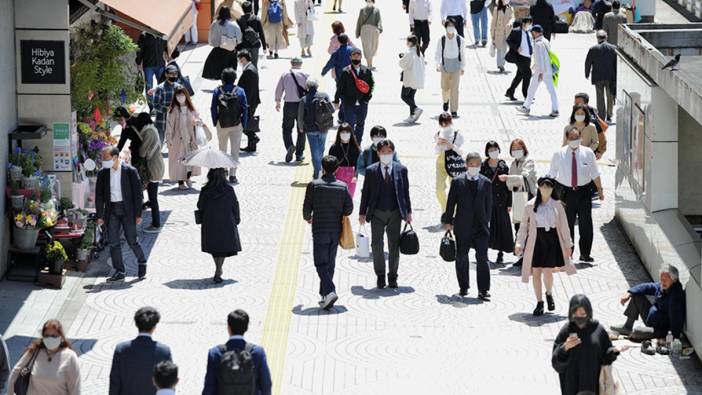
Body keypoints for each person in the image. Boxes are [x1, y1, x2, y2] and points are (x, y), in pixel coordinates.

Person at [515, 177, 577, 315]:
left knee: (548, 271)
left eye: (549, 186)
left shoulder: (557, 205)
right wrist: (520, 243)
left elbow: (565, 226)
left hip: (552, 240)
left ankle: (549, 293)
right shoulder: (529, 205)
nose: (546, 189)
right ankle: (539, 302)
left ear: (553, 189)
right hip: (536, 240)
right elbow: (524, 226)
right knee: (536, 272)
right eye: (543, 186)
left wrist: (568, 245)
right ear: (539, 187)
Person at [359, 139, 412, 289]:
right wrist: (362, 213)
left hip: (395, 212)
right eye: (383, 152)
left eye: (389, 152)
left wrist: (408, 212)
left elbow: (405, 192)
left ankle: (393, 276)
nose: (386, 154)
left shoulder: (401, 169)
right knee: (376, 245)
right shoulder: (371, 170)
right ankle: (380, 275)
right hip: (376, 212)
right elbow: (366, 194)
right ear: (378, 153)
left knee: (394, 245)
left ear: (393, 153)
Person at [303, 156, 354, 309]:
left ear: (323, 168)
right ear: (337, 169)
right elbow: (349, 209)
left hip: (319, 229)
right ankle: (325, 295)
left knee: (320, 263)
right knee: (330, 263)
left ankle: (330, 291)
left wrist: (308, 217)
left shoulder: (314, 185)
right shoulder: (342, 186)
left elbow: (306, 208)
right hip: (335, 229)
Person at [549, 128, 604, 262]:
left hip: (584, 192)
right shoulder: (559, 154)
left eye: (577, 138)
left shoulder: (588, 153)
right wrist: (553, 197)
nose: (574, 141)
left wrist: (600, 189)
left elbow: (595, 173)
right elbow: (552, 175)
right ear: (567, 139)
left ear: (581, 138)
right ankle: (568, 253)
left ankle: (585, 253)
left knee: (586, 224)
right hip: (566, 193)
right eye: (571, 138)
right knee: (567, 225)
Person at [442, 152, 492, 300]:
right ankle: (463, 286)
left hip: (480, 227)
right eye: (471, 164)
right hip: (463, 226)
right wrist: (448, 222)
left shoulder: (486, 182)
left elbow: (489, 205)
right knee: (462, 256)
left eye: (477, 164)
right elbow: (451, 203)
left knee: (482, 258)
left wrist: (487, 222)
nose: (474, 167)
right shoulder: (457, 182)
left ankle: (483, 290)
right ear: (466, 164)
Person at [96, 146, 147, 282]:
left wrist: (138, 214)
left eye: (105, 158)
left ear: (115, 157)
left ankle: (142, 261)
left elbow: (138, 195)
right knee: (113, 242)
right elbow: (99, 196)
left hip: (127, 210)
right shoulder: (103, 173)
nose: (103, 161)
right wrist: (99, 216)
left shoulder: (130, 171)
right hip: (111, 210)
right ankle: (120, 271)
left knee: (132, 240)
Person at [552, 295, 622, 395]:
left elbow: (606, 356)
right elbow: (556, 363)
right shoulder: (566, 330)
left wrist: (613, 351)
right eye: (575, 314)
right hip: (572, 387)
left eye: (582, 314)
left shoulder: (597, 329)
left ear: (588, 313)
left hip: (594, 386)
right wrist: (565, 347)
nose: (579, 317)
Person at [611, 265, 686, 347]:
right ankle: (627, 327)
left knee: (637, 332)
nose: (662, 282)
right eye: (661, 279)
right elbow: (648, 286)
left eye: (665, 280)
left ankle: (638, 333)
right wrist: (629, 293)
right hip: (651, 319)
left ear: (674, 280)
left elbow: (676, 322)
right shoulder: (663, 286)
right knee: (636, 296)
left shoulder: (675, 296)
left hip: (660, 329)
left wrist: (671, 339)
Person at [203, 310, 272, 395]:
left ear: (228, 327)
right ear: (246, 327)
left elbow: (209, 387)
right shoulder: (257, 352)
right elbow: (266, 385)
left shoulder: (215, 353)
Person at [109, 307, 172, 395]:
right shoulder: (163, 351)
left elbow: (115, 381)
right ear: (154, 327)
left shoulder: (121, 349)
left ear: (136, 324)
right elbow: (168, 384)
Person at [8, 320, 80, 395]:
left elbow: (75, 389)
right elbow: (15, 372)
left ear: (61, 337)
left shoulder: (70, 357)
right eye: (47, 336)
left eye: (54, 336)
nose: (50, 339)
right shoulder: (34, 351)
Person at [197, 168, 242, 283]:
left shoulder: (205, 190)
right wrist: (237, 218)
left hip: (209, 221)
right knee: (222, 247)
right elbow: (234, 204)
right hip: (226, 221)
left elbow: (200, 206)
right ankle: (218, 269)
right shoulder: (229, 189)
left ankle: (218, 268)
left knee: (214, 247)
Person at [501, 138, 536, 267]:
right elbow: (510, 185)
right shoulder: (513, 164)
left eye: (518, 148)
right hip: (518, 198)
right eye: (514, 149)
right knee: (518, 228)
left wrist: (509, 178)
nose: (516, 151)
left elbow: (524, 178)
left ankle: (530, 256)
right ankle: (522, 255)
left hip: (529, 197)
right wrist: (512, 180)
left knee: (529, 228)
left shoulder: (529, 162)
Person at [212, 68, 249, 184]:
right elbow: (245, 108)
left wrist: (215, 121)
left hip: (222, 124)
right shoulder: (240, 91)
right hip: (236, 124)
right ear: (234, 79)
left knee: (222, 149)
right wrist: (244, 123)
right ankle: (233, 175)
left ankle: (223, 171)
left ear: (222, 79)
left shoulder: (217, 91)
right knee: (235, 150)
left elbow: (213, 108)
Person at [480, 141, 513, 265]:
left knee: (501, 228)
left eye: (495, 149)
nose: (493, 152)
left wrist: (509, 203)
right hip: (487, 202)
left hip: (501, 202)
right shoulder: (483, 167)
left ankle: (501, 253)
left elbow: (509, 186)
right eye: (491, 150)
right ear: (487, 152)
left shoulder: (503, 166)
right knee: (486, 229)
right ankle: (484, 253)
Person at [516, 25, 558, 117]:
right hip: (548, 70)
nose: (532, 33)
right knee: (551, 90)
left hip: (541, 71)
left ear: (537, 33)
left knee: (532, 89)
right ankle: (555, 109)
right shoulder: (545, 41)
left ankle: (526, 107)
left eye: (533, 32)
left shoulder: (538, 44)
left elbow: (540, 59)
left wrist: (541, 72)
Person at [334, 48, 374, 143]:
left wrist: (367, 99)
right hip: (349, 103)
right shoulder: (345, 71)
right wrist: (337, 99)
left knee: (360, 124)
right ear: (350, 57)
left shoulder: (367, 71)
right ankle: (350, 143)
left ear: (361, 57)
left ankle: (358, 143)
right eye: (354, 56)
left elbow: (371, 85)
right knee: (349, 124)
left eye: (358, 55)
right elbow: (340, 87)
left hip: (362, 102)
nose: (356, 57)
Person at [166, 86, 201, 190]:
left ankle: (188, 178)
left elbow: (198, 118)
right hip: (177, 139)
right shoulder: (172, 110)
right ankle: (180, 181)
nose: (180, 97)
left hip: (190, 138)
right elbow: (169, 126)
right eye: (178, 95)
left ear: (186, 96)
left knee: (190, 159)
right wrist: (169, 139)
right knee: (179, 160)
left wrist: (197, 122)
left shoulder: (191, 108)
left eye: (182, 95)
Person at [298, 79, 334, 179]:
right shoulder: (325, 95)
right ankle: (319, 171)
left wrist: (301, 127)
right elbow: (332, 109)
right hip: (324, 127)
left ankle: (318, 173)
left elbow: (300, 116)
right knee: (321, 151)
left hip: (311, 129)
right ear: (317, 87)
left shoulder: (304, 99)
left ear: (307, 87)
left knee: (314, 152)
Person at [135, 113, 165, 233]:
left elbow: (142, 151)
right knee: (153, 197)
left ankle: (156, 224)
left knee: (153, 197)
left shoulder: (148, 132)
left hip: (154, 166)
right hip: (157, 164)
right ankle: (155, 222)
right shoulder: (152, 129)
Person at [275, 58, 308, 162]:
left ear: (291, 64)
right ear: (301, 64)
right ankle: (299, 154)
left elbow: (279, 89)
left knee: (286, 128)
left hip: (289, 104)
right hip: (302, 104)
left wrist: (278, 101)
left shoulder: (285, 74)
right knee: (301, 129)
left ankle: (289, 146)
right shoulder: (305, 74)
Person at [435, 18, 466, 118]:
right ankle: (445, 101)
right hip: (445, 66)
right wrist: (437, 64)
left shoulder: (460, 40)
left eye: (452, 26)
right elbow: (438, 53)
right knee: (445, 88)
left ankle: (454, 110)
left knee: (454, 89)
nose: (450, 28)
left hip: (456, 66)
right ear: (446, 27)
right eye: (449, 26)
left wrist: (462, 67)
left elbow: (463, 54)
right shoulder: (442, 39)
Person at [434, 112, 465, 213]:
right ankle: (445, 209)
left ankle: (454, 212)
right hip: (441, 162)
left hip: (454, 163)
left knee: (454, 189)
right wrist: (438, 144)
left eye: (446, 123)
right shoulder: (438, 134)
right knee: (439, 189)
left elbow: (461, 152)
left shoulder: (457, 134)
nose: (444, 125)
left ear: (450, 122)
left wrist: (450, 145)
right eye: (442, 123)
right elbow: (436, 152)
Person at [585, 30, 617, 122]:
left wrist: (587, 73)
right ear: (606, 37)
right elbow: (616, 63)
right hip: (610, 77)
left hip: (597, 76)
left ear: (597, 38)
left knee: (600, 97)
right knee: (610, 96)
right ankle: (609, 115)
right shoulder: (613, 48)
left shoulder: (593, 49)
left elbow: (588, 62)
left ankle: (601, 116)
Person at [203, 6, 242, 80]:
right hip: (230, 51)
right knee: (230, 72)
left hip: (217, 51)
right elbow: (239, 39)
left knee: (218, 71)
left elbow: (210, 38)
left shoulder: (214, 24)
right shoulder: (234, 25)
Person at [136, 32, 167, 111]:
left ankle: (161, 104)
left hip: (160, 64)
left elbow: (167, 47)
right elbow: (139, 50)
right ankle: (152, 107)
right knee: (149, 86)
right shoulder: (144, 35)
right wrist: (139, 62)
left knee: (162, 85)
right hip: (148, 65)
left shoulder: (162, 34)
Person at [237, 51, 261, 153]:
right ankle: (251, 145)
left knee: (244, 122)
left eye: (240, 59)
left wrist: (245, 104)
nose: (239, 62)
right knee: (248, 122)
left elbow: (249, 90)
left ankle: (254, 137)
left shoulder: (249, 71)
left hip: (249, 102)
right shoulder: (250, 68)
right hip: (251, 101)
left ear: (244, 59)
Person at [328, 123, 361, 197]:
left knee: (349, 197)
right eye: (342, 132)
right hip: (338, 174)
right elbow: (330, 162)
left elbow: (358, 164)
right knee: (337, 197)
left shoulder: (355, 148)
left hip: (351, 174)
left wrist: (356, 176)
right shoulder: (334, 147)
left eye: (347, 132)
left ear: (351, 133)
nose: (345, 134)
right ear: (339, 133)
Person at [399, 35, 426, 123]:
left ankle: (416, 108)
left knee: (404, 96)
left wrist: (402, 57)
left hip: (410, 78)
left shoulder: (410, 52)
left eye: (407, 42)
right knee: (411, 96)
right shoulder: (419, 52)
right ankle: (412, 116)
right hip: (417, 78)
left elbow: (402, 64)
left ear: (410, 42)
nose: (406, 43)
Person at [505, 17, 533, 101]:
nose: (530, 25)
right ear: (524, 24)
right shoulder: (516, 31)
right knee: (527, 74)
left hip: (528, 57)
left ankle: (510, 91)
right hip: (520, 57)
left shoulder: (529, 32)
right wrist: (516, 48)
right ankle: (526, 95)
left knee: (520, 75)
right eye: (529, 23)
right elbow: (508, 40)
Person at [574, 92, 607, 159]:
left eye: (578, 103)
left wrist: (600, 151)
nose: (576, 105)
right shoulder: (578, 112)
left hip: (588, 152)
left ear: (585, 104)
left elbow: (601, 134)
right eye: (575, 103)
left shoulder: (591, 118)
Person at [153, 65, 180, 143]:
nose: (173, 76)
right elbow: (155, 104)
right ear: (166, 74)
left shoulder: (179, 87)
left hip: (176, 121)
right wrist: (166, 109)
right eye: (171, 74)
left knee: (175, 143)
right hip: (162, 121)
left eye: (175, 74)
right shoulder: (160, 88)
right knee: (159, 142)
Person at [237, 1, 267, 67]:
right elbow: (261, 34)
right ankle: (255, 76)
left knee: (245, 66)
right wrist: (264, 47)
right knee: (254, 65)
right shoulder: (256, 19)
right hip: (255, 45)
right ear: (251, 9)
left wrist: (236, 47)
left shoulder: (239, 20)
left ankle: (246, 77)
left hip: (244, 45)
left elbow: (238, 34)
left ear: (242, 9)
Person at [355, 0, 383, 69]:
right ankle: (369, 65)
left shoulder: (377, 10)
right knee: (367, 47)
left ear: (373, 1)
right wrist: (357, 32)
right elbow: (359, 21)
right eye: (368, 1)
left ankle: (370, 64)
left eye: (370, 1)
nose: (369, 2)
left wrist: (379, 28)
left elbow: (379, 20)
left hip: (374, 31)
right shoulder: (362, 10)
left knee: (373, 47)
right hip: (364, 30)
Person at [490, 0, 512, 73]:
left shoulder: (510, 8)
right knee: (499, 49)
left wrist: (510, 23)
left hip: (507, 32)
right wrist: (492, 34)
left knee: (505, 49)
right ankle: (500, 65)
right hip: (498, 32)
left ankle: (502, 63)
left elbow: (513, 18)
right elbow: (493, 22)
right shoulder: (497, 9)